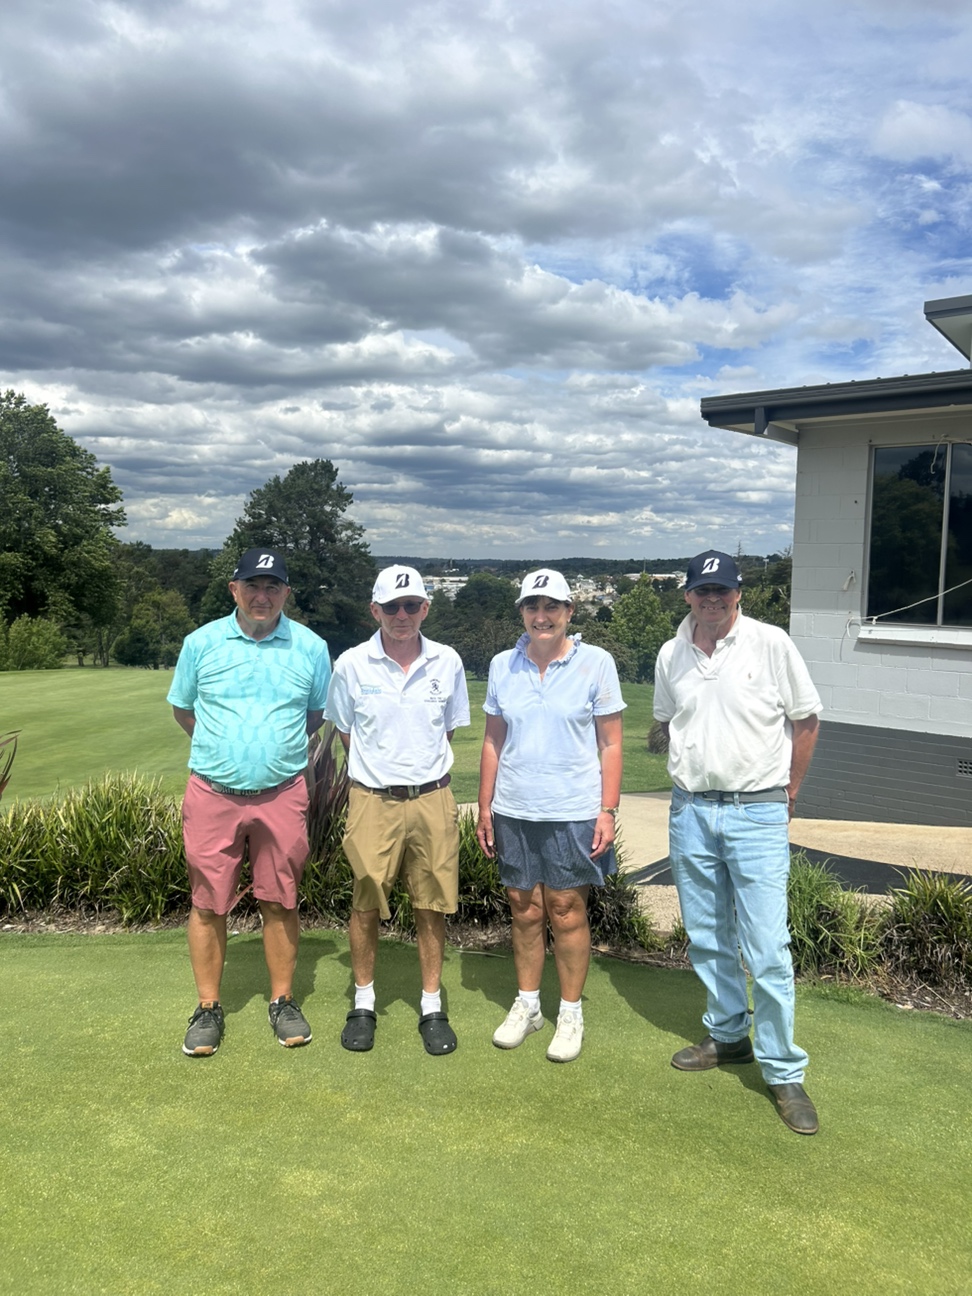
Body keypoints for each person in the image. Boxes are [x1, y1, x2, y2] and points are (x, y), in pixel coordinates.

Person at [653, 549, 822, 1135]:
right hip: (691, 811)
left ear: (738, 594)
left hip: (757, 812)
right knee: (708, 937)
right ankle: (728, 1036)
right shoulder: (671, 654)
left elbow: (806, 720)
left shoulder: (771, 643)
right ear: (688, 596)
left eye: (722, 590)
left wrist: (789, 792)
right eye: (703, 591)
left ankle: (782, 1070)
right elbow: (668, 720)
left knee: (768, 949)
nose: (713, 599)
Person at [168, 547, 331, 1058]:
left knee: (280, 899)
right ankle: (208, 1007)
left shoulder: (311, 647)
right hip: (212, 793)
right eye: (253, 586)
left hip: (281, 794)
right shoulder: (201, 643)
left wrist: (268, 755)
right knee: (207, 902)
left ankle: (282, 1000)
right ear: (234, 589)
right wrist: (225, 751)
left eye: (273, 586)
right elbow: (184, 710)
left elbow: (314, 716)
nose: (263, 596)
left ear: (286, 593)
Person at [476, 569, 625, 1063]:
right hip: (514, 807)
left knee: (565, 910)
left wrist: (607, 810)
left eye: (551, 607)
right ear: (522, 612)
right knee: (524, 908)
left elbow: (611, 743)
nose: (541, 616)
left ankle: (570, 1012)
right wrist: (484, 806)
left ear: (569, 611)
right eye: (532, 607)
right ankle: (528, 1006)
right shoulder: (502, 665)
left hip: (573, 810)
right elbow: (493, 740)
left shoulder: (596, 663)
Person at [324, 565, 470, 1055]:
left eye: (411, 605)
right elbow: (346, 731)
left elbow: (446, 730)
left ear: (425, 608)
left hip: (432, 797)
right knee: (366, 901)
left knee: (432, 904)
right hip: (372, 799)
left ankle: (431, 1005)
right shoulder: (351, 664)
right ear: (375, 610)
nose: (401, 615)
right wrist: (380, 773)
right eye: (391, 607)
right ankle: (363, 1002)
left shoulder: (448, 661)